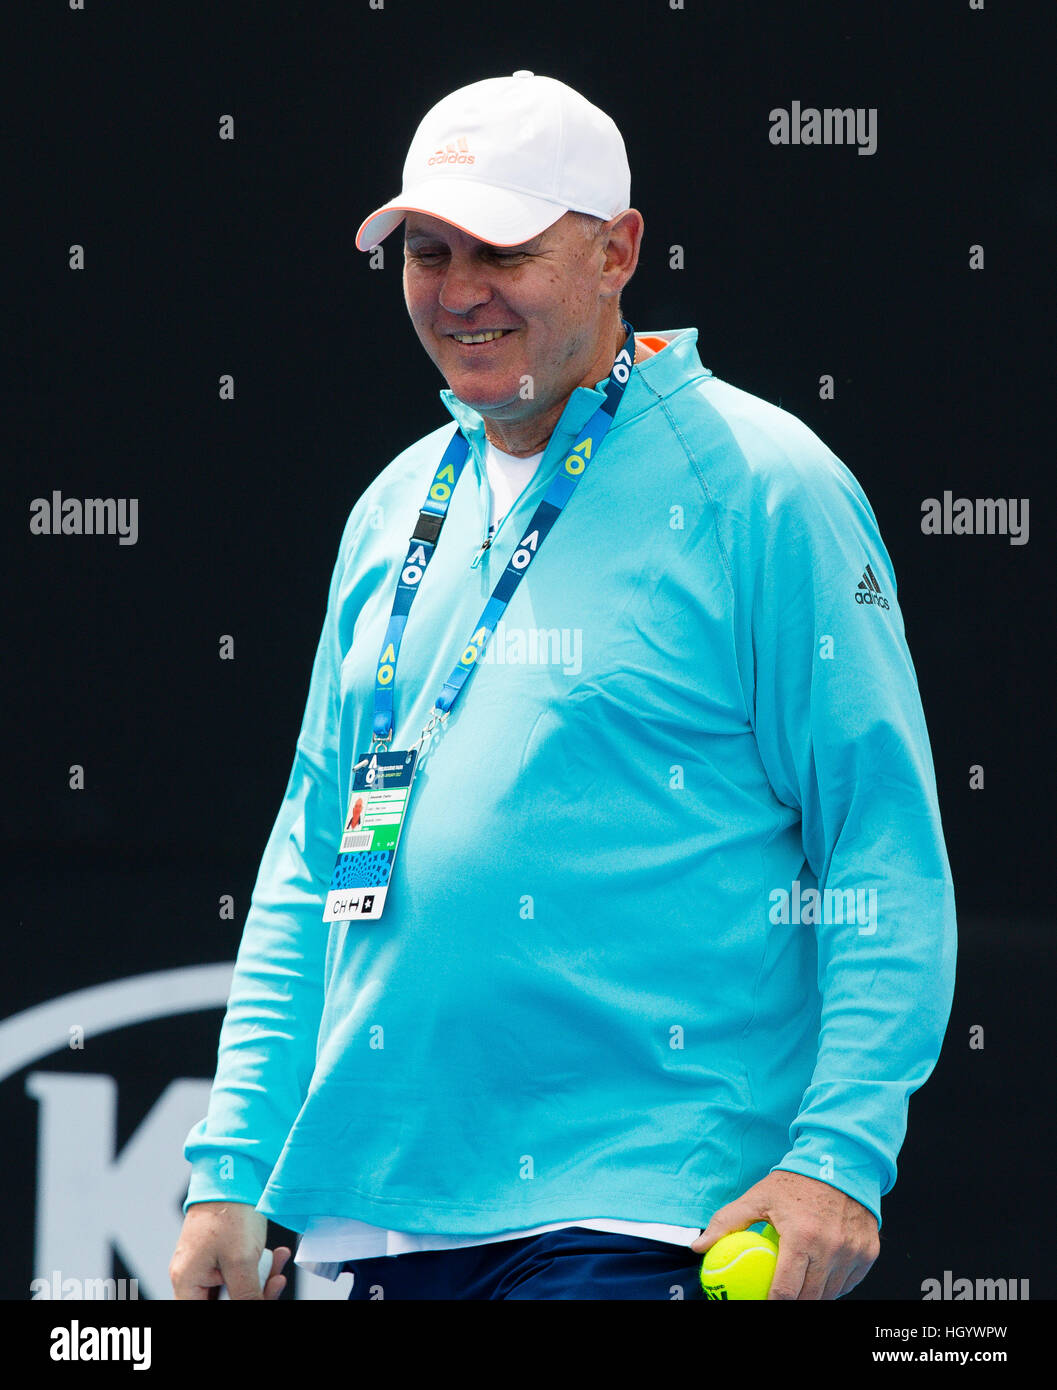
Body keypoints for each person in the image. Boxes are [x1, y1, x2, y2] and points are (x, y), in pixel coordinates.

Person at [170, 71, 956, 1302]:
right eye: (427, 250)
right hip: (380, 1224)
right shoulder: (393, 506)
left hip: (646, 1226)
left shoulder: (764, 484)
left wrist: (839, 1159)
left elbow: (882, 853)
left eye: (503, 248)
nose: (458, 288)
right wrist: (235, 1164)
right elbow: (314, 856)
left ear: (616, 251)